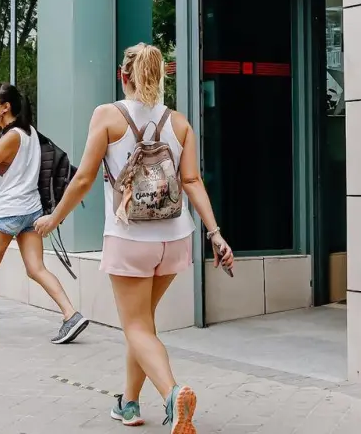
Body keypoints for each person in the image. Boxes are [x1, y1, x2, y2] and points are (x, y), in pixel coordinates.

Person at [36, 43, 233, 433]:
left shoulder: (108, 116)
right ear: (160, 77)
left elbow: (84, 178)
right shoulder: (179, 123)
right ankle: (128, 403)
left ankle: (173, 394)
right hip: (175, 238)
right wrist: (215, 231)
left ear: (122, 75)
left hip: (130, 239)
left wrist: (55, 217)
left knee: (137, 327)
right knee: (141, 324)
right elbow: (192, 181)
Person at [0, 82, 89, 345]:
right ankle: (71, 315)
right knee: (36, 268)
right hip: (31, 210)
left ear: (6, 108)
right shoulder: (31, 134)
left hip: (8, 212)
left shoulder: (11, 137)